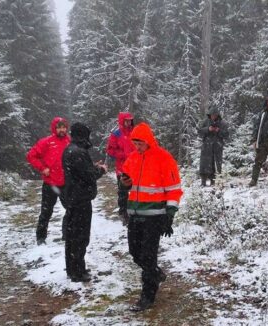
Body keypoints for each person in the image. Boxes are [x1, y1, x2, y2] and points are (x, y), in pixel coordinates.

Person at [119, 123, 183, 312]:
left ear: (148, 141)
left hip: (155, 216)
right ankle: (155, 273)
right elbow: (127, 184)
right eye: (135, 144)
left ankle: (147, 296)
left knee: (148, 255)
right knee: (135, 253)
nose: (137, 147)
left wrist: (169, 215)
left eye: (140, 144)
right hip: (135, 214)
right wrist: (125, 183)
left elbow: (174, 189)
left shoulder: (164, 158)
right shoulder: (132, 158)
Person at [61, 122, 107, 282]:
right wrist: (100, 170)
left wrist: (92, 167)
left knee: (73, 235)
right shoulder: (78, 152)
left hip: (73, 197)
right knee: (79, 236)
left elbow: (79, 171)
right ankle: (77, 271)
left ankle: (74, 268)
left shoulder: (70, 149)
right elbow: (88, 175)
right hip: (80, 199)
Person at [26, 117, 70, 245]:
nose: (62, 130)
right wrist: (42, 168)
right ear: (54, 128)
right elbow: (31, 156)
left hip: (66, 183)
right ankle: (41, 238)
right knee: (46, 212)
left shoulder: (69, 141)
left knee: (71, 209)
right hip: (50, 183)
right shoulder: (46, 142)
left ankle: (67, 235)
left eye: (64, 127)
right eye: (59, 127)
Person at [106, 112, 135, 221]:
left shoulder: (135, 131)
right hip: (122, 168)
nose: (129, 123)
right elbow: (110, 150)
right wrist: (123, 155)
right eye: (126, 121)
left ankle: (135, 210)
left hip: (135, 167)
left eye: (130, 120)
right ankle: (123, 212)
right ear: (122, 121)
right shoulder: (116, 134)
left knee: (136, 190)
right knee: (123, 192)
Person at [198, 109, 229, 186]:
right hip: (206, 146)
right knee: (204, 164)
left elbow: (226, 135)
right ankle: (203, 181)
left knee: (216, 164)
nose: (213, 116)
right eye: (212, 115)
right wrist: (208, 129)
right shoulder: (206, 121)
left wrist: (219, 131)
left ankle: (214, 181)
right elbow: (199, 132)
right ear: (210, 115)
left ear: (217, 115)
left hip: (217, 147)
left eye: (215, 115)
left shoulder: (222, 123)